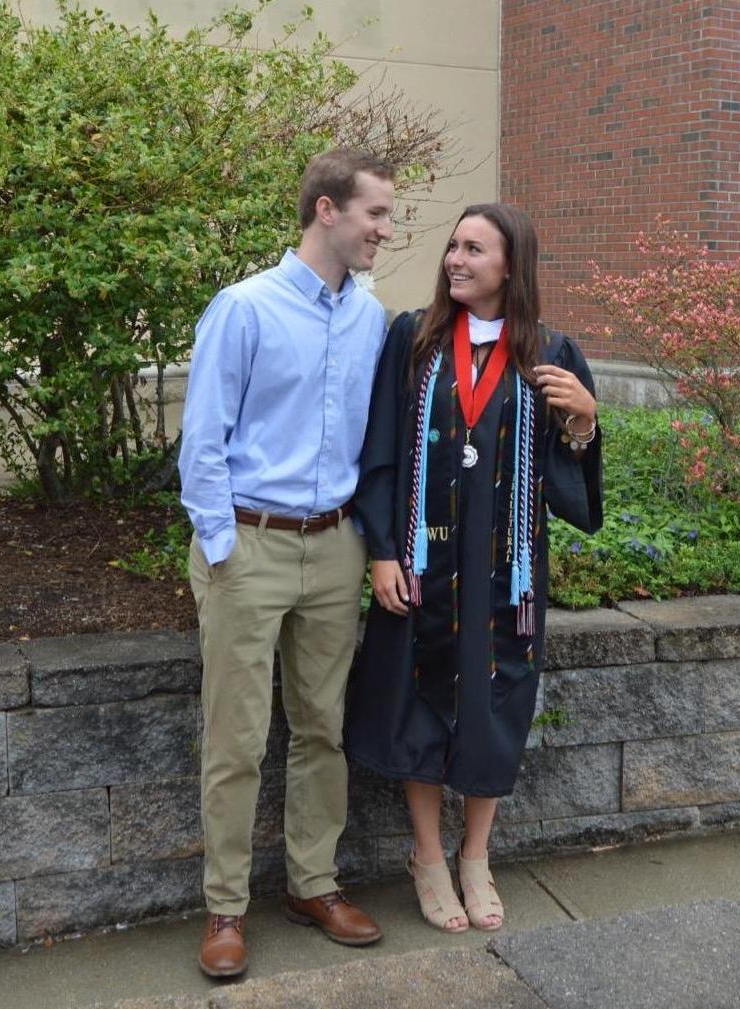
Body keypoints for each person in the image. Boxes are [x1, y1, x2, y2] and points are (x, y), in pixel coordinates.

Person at [346, 203, 602, 933]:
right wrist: (382, 553)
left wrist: (582, 423)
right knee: (417, 703)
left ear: (510, 266)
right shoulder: (416, 339)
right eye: (452, 246)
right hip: (421, 567)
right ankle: (427, 856)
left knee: (493, 710)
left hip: (504, 576)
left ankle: (475, 857)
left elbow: (566, 485)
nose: (454, 259)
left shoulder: (550, 354)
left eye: (473, 249)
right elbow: (381, 450)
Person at [179, 148, 395, 977]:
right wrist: (223, 546)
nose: (386, 229)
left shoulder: (369, 317)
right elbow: (203, 438)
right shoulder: (245, 307)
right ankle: (225, 908)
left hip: (336, 548)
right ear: (327, 211)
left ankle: (313, 883)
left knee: (322, 730)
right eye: (375, 213)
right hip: (249, 543)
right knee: (235, 738)